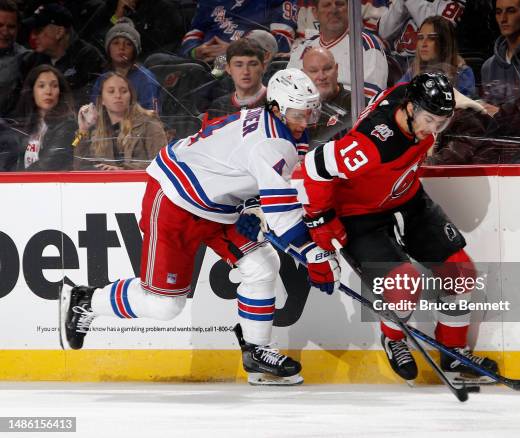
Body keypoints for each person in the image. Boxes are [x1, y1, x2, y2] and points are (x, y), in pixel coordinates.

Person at [60, 69, 340, 386]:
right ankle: (86, 300)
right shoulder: (274, 142)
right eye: (298, 113)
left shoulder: (277, 127)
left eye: (310, 111)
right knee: (164, 305)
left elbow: (233, 161)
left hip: (216, 203)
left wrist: (248, 204)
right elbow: (282, 215)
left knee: (262, 265)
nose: (306, 120)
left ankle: (257, 352)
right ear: (275, 107)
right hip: (176, 201)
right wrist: (313, 255)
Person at [299, 72, 499, 383]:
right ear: (409, 109)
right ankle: (393, 338)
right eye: (428, 120)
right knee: (403, 283)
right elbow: (314, 167)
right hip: (359, 214)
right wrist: (321, 222)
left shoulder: (410, 94)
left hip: (405, 197)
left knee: (461, 274)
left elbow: (435, 94)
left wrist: (472, 104)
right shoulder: (371, 144)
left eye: (440, 123)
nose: (432, 130)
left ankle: (454, 355)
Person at [288, 0, 388, 100]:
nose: (334, 10)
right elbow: (287, 88)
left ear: (349, 9)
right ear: (315, 12)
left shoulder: (366, 45)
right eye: (327, 5)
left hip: (346, 112)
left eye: (339, 4)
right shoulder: (303, 47)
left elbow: (371, 98)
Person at [73, 72, 166, 170]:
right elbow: (77, 165)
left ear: (130, 97)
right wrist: (82, 131)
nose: (118, 95)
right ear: (102, 100)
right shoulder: (95, 129)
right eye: (111, 91)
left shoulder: (149, 123)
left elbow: (161, 165)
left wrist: (123, 170)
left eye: (124, 91)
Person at [21, 3, 105, 106]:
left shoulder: (89, 58)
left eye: (38, 30)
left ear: (59, 32)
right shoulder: (30, 61)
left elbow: (89, 101)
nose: (33, 36)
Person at [179, 0, 297, 62]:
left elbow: (282, 43)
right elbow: (194, 32)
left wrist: (236, 51)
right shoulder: (210, 1)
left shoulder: (276, 2)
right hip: (200, 63)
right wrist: (195, 51)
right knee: (161, 60)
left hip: (243, 68)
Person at [12, 64, 76, 170]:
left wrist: (19, 180)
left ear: (60, 92)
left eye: (54, 86)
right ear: (32, 91)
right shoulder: (21, 125)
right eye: (41, 86)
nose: (48, 92)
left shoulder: (67, 125)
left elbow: (48, 165)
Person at [90, 17, 160, 111]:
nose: (121, 48)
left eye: (128, 44)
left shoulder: (146, 79)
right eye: (116, 43)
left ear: (135, 51)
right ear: (108, 48)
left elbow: (152, 119)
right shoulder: (102, 79)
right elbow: (95, 114)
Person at [397, 15, 475, 98]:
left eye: (431, 38)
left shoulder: (462, 73)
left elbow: (465, 106)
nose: (424, 44)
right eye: (420, 37)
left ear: (444, 43)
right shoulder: (412, 72)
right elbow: (394, 96)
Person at [301, 46, 352, 148]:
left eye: (327, 69)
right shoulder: (294, 106)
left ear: (336, 69)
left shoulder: (357, 104)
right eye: (314, 71)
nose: (322, 76)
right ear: (303, 74)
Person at [206, 39, 267, 118]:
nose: (246, 71)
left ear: (263, 67)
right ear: (228, 69)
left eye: (252, 64)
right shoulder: (218, 107)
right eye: (239, 65)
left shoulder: (277, 100)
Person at [0, 0, 29, 116]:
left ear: (18, 28)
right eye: (0, 25)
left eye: (11, 26)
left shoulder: (27, 59)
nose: (5, 32)